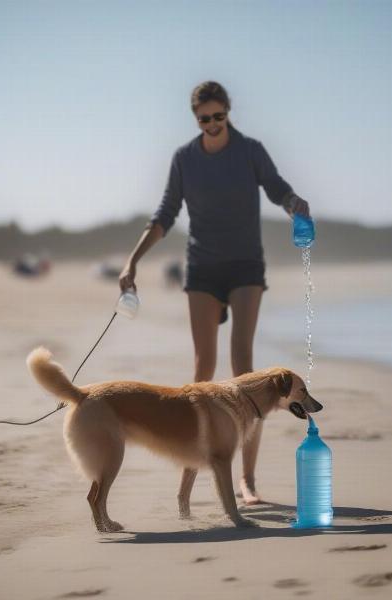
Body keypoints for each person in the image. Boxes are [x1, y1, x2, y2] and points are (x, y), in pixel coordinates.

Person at [119, 81, 310, 505]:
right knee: (202, 371)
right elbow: (165, 215)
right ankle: (188, 482)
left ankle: (248, 481)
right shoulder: (185, 159)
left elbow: (276, 187)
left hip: (245, 267)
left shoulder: (250, 150)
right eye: (203, 119)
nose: (210, 125)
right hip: (202, 268)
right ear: (196, 119)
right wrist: (133, 261)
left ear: (228, 111)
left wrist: (294, 201)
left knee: (246, 369)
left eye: (217, 116)